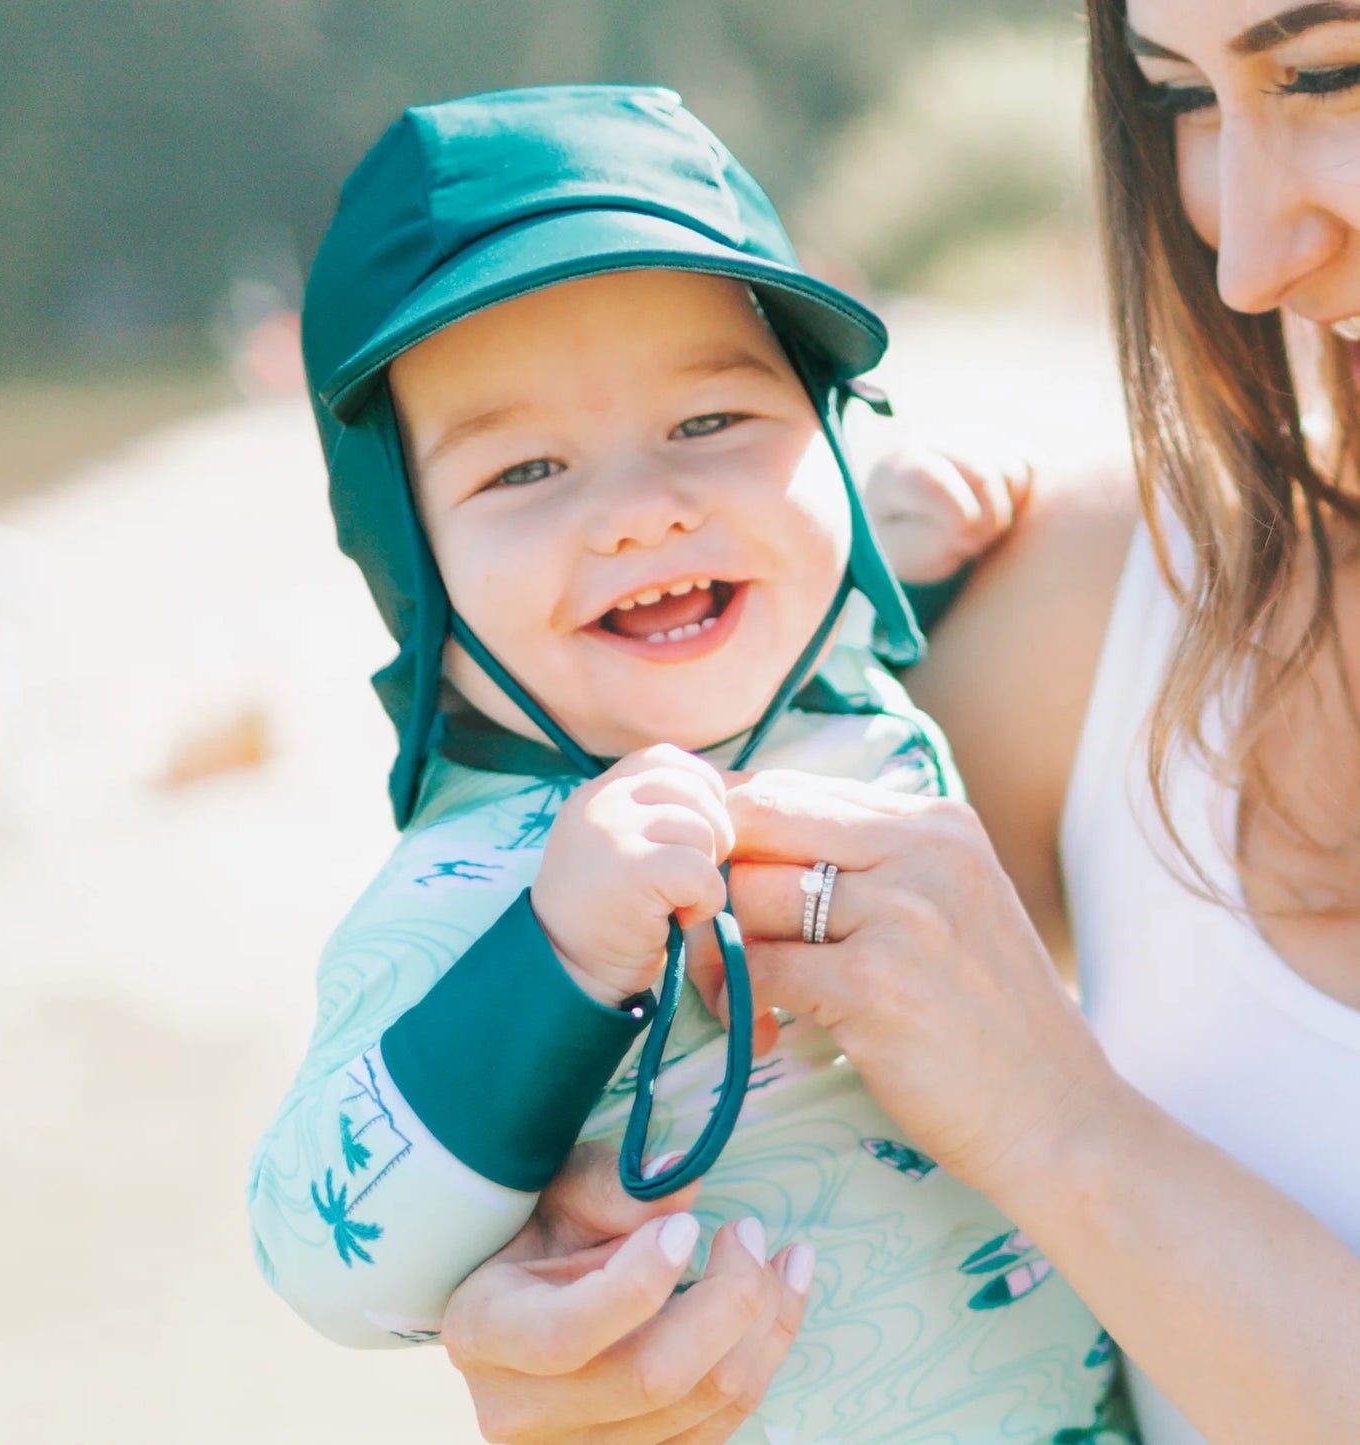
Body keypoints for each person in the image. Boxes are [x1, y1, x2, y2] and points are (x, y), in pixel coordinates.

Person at [437, 3, 1360, 1442]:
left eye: (1329, 72)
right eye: (1178, 97)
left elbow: (1018, 1099)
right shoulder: (1106, 607)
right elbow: (587, 1003)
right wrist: (561, 1331)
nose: (1242, 254)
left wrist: (1063, 1129)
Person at [247, 85, 1132, 1442]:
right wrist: (556, 955)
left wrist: (895, 546)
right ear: (414, 578)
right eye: (528, 468)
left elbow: (800, 589)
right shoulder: (476, 884)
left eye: (712, 424)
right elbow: (323, 1263)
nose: (645, 509)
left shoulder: (839, 681)